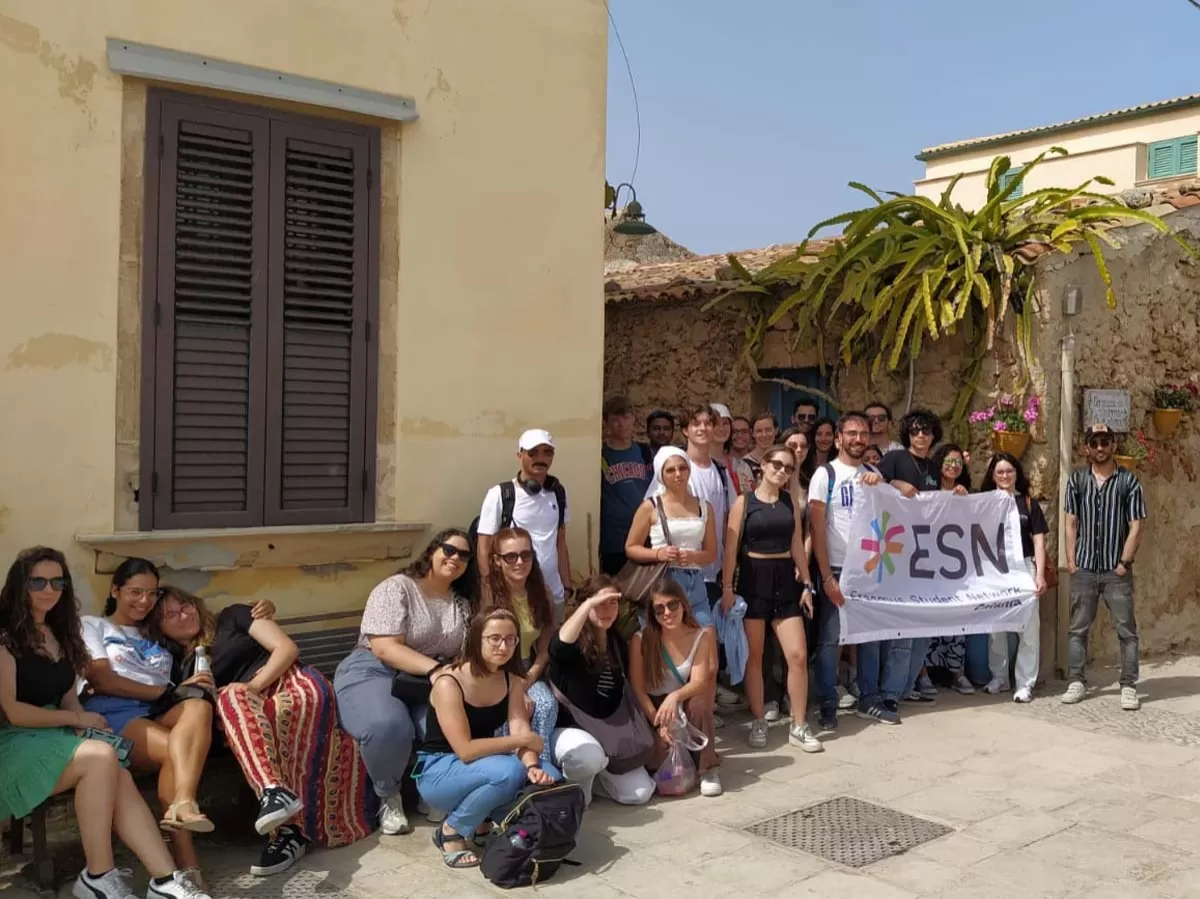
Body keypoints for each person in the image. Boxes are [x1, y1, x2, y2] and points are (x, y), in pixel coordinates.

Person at [0, 547, 212, 899]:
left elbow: (68, 695)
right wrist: (76, 718)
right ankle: (98, 875)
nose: (48, 589)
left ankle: (165, 881)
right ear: (20, 584)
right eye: (38, 580)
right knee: (101, 757)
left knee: (118, 771)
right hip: (16, 741)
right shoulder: (5, 639)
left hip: (57, 733)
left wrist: (83, 725)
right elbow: (14, 712)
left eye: (57, 581)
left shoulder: (61, 634)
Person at [146, 588, 377, 878]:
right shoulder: (176, 664)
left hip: (290, 684)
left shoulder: (234, 616)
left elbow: (286, 649)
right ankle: (275, 799)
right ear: (160, 628)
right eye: (170, 614)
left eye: (186, 605)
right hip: (244, 712)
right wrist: (190, 688)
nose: (184, 614)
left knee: (245, 700)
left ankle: (285, 820)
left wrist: (253, 687)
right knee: (231, 699)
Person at [81, 559, 230, 879]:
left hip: (157, 711)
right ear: (115, 590)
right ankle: (186, 862)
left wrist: (260, 610)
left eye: (151, 593)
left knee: (199, 706)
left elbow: (201, 628)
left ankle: (184, 802)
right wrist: (165, 691)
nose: (144, 601)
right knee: (175, 752)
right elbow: (104, 680)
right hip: (113, 713)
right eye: (135, 592)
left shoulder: (158, 632)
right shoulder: (93, 625)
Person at [333, 530, 472, 836]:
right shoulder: (396, 588)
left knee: (442, 728)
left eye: (464, 555)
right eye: (449, 549)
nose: (455, 558)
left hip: (423, 681)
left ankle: (430, 790)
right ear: (432, 551)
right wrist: (436, 670)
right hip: (374, 668)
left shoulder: (460, 604)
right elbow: (385, 647)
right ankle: (389, 796)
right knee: (390, 725)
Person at [414, 609, 555, 870]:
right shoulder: (448, 682)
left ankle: (483, 823)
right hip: (439, 770)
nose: (503, 646)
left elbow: (520, 729)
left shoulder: (510, 679)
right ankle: (451, 830)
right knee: (509, 770)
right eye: (494, 638)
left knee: (550, 775)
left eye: (510, 639)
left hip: (482, 766)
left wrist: (533, 767)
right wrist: (522, 741)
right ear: (476, 640)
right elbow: (465, 750)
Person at [724, 445, 822, 752]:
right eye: (777, 465)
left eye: (788, 468)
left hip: (784, 578)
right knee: (756, 657)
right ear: (763, 466)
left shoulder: (789, 502)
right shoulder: (744, 502)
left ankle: (799, 724)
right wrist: (727, 588)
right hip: (754, 577)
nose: (782, 471)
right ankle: (758, 720)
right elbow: (730, 549)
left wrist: (807, 584)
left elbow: (796, 545)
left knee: (797, 656)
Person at [809, 412, 895, 728]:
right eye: (852, 433)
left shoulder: (873, 472)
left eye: (863, 434)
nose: (858, 439)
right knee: (830, 639)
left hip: (869, 568)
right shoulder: (825, 475)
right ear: (838, 438)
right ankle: (828, 702)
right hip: (836, 567)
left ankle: (869, 699)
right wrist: (827, 577)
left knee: (871, 636)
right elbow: (817, 529)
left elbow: (894, 508)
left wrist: (883, 482)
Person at [547, 577, 655, 805]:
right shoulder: (573, 641)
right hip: (573, 729)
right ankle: (578, 792)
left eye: (612, 603)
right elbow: (559, 646)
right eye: (600, 603)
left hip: (607, 733)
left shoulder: (615, 639)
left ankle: (597, 781)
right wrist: (587, 605)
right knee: (588, 757)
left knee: (640, 793)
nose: (606, 610)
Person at [1063, 423, 1146, 710]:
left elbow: (1136, 526)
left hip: (1116, 569)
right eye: (1095, 443)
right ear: (1087, 447)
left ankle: (1128, 685)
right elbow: (1071, 523)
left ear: (1113, 446)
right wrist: (1071, 561)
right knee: (1077, 629)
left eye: (1105, 442)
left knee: (1126, 629)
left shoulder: (1128, 482)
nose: (1100, 448)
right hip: (1084, 566)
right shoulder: (1077, 481)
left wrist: (1124, 562)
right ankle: (1076, 681)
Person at [629, 579, 722, 796]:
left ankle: (708, 768)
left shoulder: (701, 636)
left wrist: (675, 696)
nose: (667, 613)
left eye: (672, 605)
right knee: (661, 761)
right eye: (659, 609)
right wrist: (658, 722)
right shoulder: (642, 639)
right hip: (652, 707)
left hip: (680, 702)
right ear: (652, 613)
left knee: (700, 703)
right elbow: (638, 687)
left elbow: (700, 681)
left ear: (683, 604)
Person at [878, 409, 945, 707]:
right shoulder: (893, 460)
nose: (921, 435)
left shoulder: (933, 466)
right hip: (897, 555)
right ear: (907, 433)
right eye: (916, 430)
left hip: (926, 556)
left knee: (923, 631)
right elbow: (872, 487)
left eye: (927, 431)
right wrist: (894, 484)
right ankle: (891, 693)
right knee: (902, 631)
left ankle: (906, 689)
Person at [643, 405, 734, 621]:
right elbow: (651, 514)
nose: (703, 428)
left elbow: (728, 521)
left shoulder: (721, 472)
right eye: (696, 423)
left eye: (708, 423)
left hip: (712, 573)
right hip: (675, 575)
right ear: (685, 430)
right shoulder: (674, 467)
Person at [483, 527, 558, 763]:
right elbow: (485, 649)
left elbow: (545, 649)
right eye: (510, 556)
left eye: (526, 555)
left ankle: (540, 768)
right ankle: (511, 768)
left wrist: (525, 682)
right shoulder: (487, 594)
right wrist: (514, 689)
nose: (519, 562)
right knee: (508, 713)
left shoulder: (541, 593)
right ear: (497, 561)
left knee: (544, 704)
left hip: (528, 669)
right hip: (495, 671)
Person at [477, 430, 572, 615]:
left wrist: (567, 586)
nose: (541, 458)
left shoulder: (558, 494)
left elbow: (560, 543)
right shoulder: (500, 495)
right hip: (513, 597)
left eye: (547, 452)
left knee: (550, 644)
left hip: (554, 595)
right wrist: (490, 593)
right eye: (533, 452)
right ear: (519, 455)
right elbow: (484, 547)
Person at [980, 453, 1049, 703]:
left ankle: (1025, 683)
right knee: (995, 628)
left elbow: (1039, 541)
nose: (1005, 476)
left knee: (1029, 629)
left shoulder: (1028, 504)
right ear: (992, 476)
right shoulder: (984, 503)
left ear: (1017, 473)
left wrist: (1039, 574)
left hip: (1024, 569)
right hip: (996, 572)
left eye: (1009, 471)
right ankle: (999, 677)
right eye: (1000, 472)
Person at [625, 447, 717, 628]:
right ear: (661, 474)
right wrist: (659, 554)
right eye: (670, 470)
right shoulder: (650, 506)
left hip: (695, 582)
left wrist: (691, 556)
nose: (678, 474)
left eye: (683, 468)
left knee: (705, 635)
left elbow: (711, 553)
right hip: (663, 580)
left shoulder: (704, 507)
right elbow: (631, 547)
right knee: (660, 643)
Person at [921, 444, 977, 697]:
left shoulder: (965, 493)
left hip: (955, 568)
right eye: (949, 461)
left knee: (957, 619)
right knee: (927, 618)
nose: (953, 466)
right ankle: (923, 673)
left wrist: (965, 502)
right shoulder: (926, 490)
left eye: (958, 462)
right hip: (926, 566)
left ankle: (956, 671)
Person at [600, 396, 653, 576]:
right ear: (606, 422)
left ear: (633, 419)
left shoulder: (645, 452)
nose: (620, 424)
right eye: (614, 419)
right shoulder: (601, 455)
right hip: (614, 538)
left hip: (644, 536)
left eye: (625, 417)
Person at [710, 403, 755, 495]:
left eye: (725, 423)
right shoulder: (693, 464)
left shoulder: (741, 467)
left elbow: (748, 500)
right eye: (716, 424)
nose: (721, 428)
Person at [744, 412, 780, 486]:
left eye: (768, 430)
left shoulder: (785, 459)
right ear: (752, 433)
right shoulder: (744, 463)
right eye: (759, 431)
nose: (764, 435)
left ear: (776, 431)